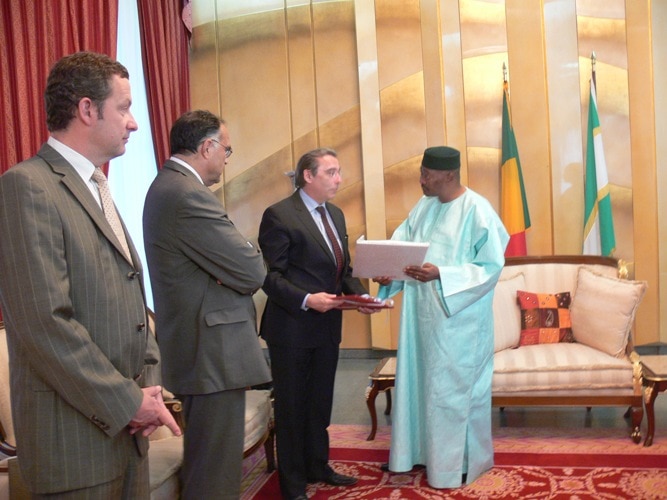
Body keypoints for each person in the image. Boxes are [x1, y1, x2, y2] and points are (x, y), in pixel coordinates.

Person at [0, 51, 181, 498]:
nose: (134, 122)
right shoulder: (27, 186)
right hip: (73, 445)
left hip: (127, 434)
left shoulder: (95, 186)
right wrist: (127, 402)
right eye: (123, 107)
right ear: (86, 109)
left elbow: (129, 297)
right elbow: (45, 322)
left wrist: (149, 391)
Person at [143, 109, 271, 499]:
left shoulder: (174, 187)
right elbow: (252, 269)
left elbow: (239, 263)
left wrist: (231, 264)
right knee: (213, 475)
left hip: (205, 349)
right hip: (210, 352)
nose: (227, 160)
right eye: (227, 150)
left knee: (213, 466)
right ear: (206, 146)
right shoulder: (186, 194)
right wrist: (240, 259)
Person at [374, 146, 509, 489]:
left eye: (427, 175)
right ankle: (416, 453)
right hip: (419, 322)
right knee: (420, 387)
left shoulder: (478, 210)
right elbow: (401, 246)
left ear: (449, 175)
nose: (421, 180)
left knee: (453, 394)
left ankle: (456, 465)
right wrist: (387, 271)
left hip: (459, 324)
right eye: (421, 173)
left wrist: (443, 275)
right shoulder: (424, 206)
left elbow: (491, 267)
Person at [258, 148, 381, 500]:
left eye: (339, 172)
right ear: (308, 176)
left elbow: (342, 271)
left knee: (319, 403)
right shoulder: (279, 215)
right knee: (292, 407)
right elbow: (270, 277)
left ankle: (317, 465)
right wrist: (307, 299)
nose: (339, 179)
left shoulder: (337, 215)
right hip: (292, 328)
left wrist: (361, 298)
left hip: (327, 329)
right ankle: (293, 482)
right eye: (331, 172)